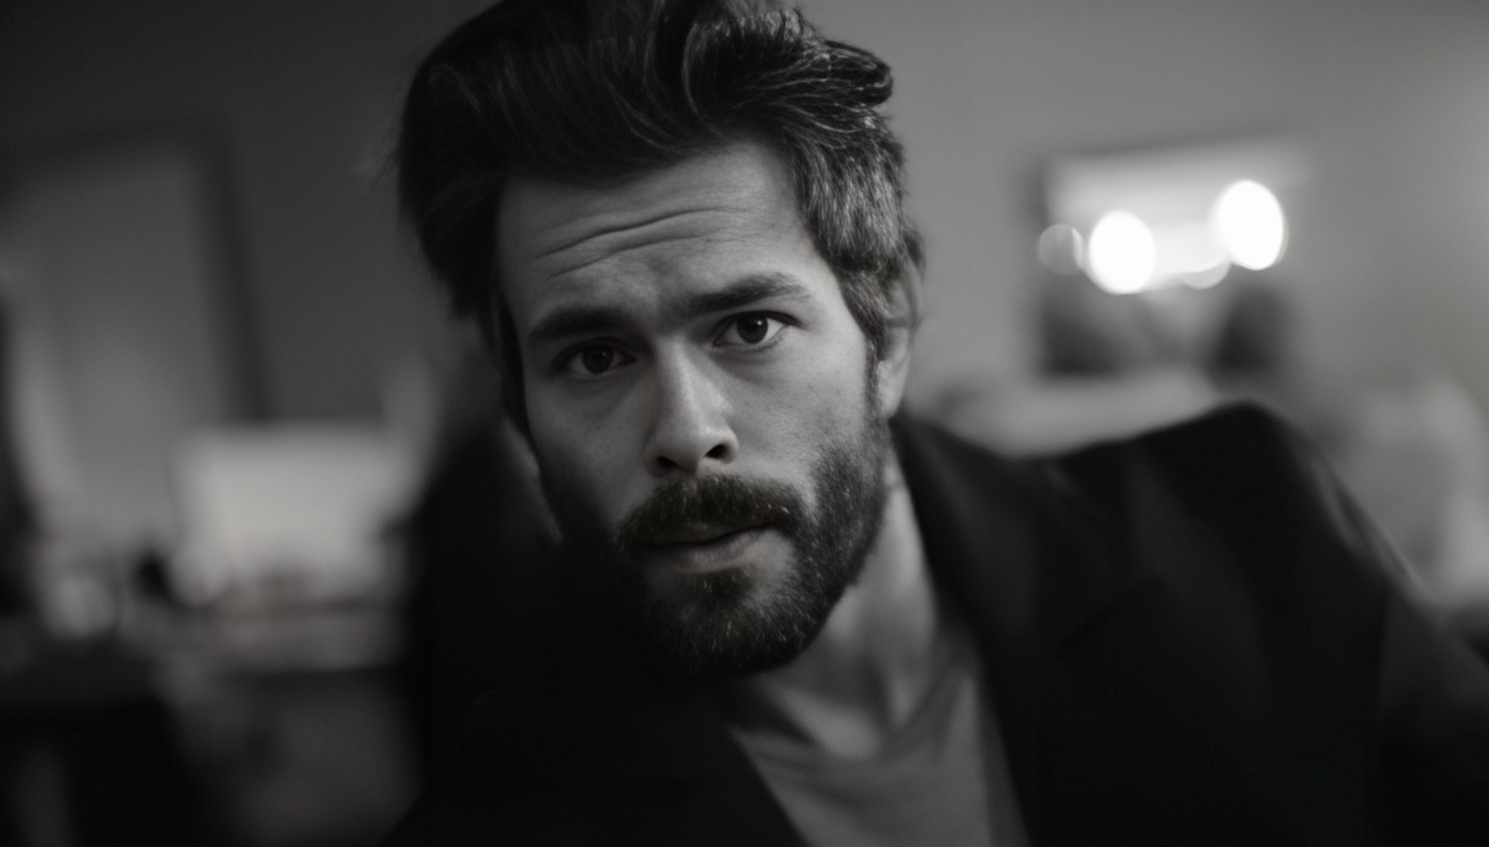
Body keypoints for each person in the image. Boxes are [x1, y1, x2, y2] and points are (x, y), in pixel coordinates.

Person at [386, 1, 1489, 844]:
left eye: (750, 327)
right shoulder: (500, 817)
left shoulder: (1248, 534)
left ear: (889, 331)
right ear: (518, 405)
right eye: (593, 356)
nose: (685, 430)